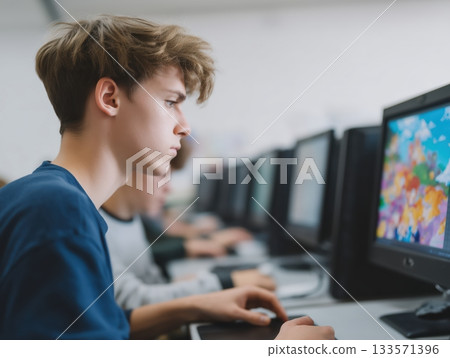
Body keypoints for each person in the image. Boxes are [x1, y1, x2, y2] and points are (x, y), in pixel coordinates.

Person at [0, 15, 334, 340]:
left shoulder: (59, 199)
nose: (184, 126)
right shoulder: (58, 208)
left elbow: (101, 330)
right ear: (110, 99)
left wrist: (196, 305)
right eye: (170, 101)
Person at [101, 176, 276, 309]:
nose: (169, 188)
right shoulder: (98, 224)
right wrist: (223, 283)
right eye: (159, 174)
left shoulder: (131, 219)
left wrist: (189, 284)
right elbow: (133, 302)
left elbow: (150, 282)